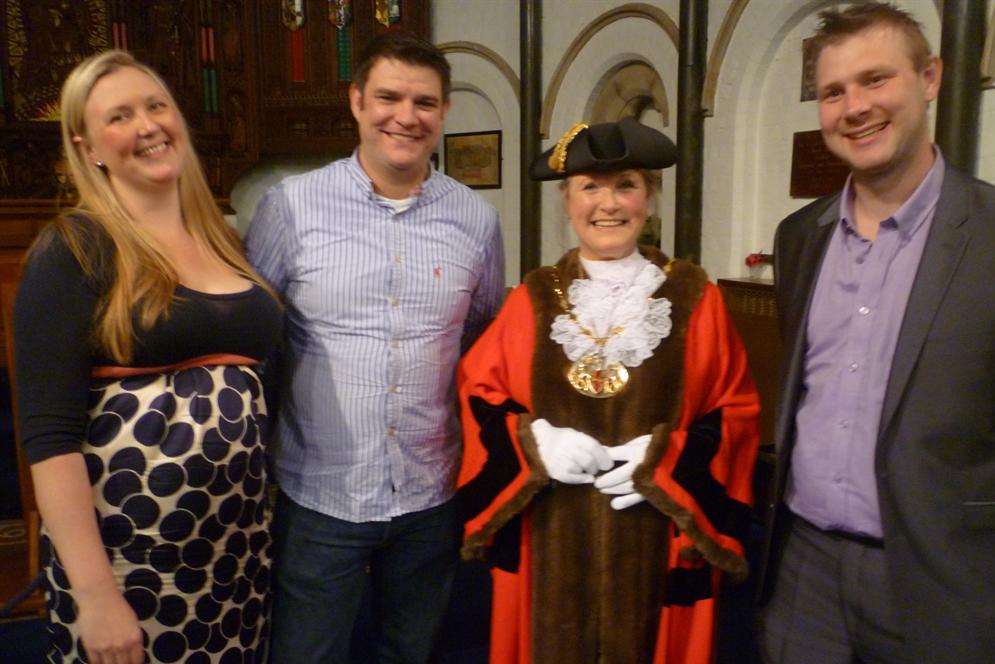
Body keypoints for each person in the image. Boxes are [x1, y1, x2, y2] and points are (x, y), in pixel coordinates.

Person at [455, 117, 760, 664]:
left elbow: (736, 414)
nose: (609, 204)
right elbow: (479, 396)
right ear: (566, 201)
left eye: (626, 185)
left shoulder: (696, 298)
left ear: (651, 198)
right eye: (590, 187)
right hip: (547, 542)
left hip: (660, 548)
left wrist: (667, 464)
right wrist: (532, 443)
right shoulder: (532, 298)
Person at [14, 51, 282, 664]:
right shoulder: (74, 249)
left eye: (157, 105)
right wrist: (96, 594)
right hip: (134, 562)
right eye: (121, 116)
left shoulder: (223, 239)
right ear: (88, 149)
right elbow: (50, 441)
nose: (148, 125)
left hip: (234, 556)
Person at [245, 33, 504, 663]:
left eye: (425, 102)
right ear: (357, 101)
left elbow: (482, 336)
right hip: (320, 493)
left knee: (410, 651)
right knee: (307, 653)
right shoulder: (291, 207)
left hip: (430, 492)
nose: (405, 116)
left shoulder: (476, 220)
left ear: (443, 113)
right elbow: (257, 339)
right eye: (388, 96)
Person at [757, 4, 995, 663]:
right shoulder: (798, 238)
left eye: (875, 79)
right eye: (833, 92)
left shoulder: (989, 235)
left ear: (928, 77)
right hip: (802, 567)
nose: (853, 107)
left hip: (940, 578)